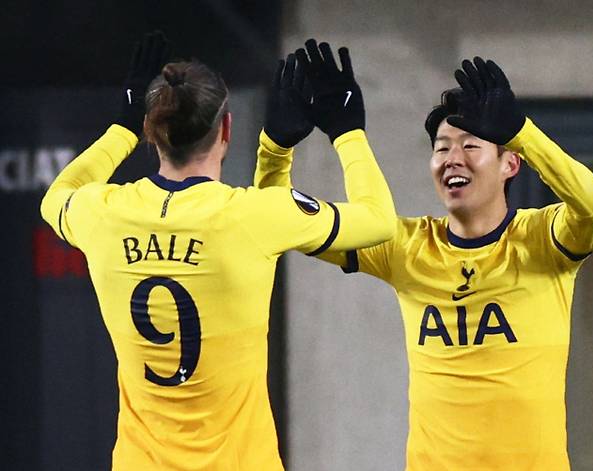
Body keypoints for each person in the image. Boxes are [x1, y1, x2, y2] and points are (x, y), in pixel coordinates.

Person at [40, 32, 395, 470]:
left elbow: (57, 195)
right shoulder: (249, 216)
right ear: (226, 129)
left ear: (153, 131)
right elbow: (378, 219)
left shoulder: (102, 213)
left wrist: (123, 126)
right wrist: (342, 133)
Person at [255, 54, 593, 470]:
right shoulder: (405, 246)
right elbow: (278, 220)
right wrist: (275, 149)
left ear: (509, 164)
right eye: (442, 148)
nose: (452, 158)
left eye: (470, 146)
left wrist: (523, 134)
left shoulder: (544, 238)